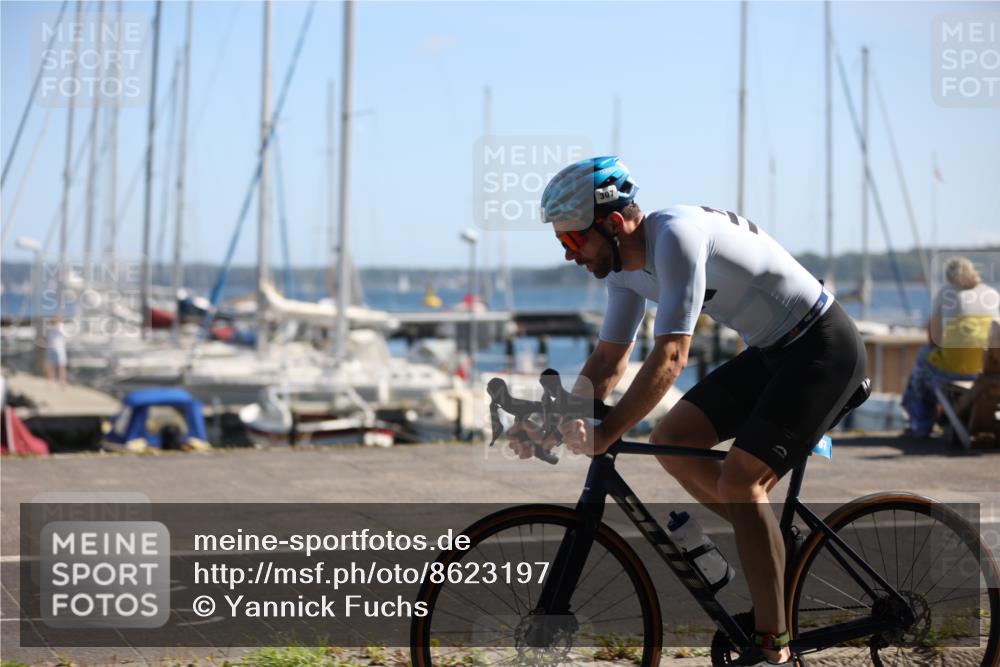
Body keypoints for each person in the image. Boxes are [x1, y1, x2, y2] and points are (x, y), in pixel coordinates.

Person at [507, 156, 866, 666]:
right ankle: (772, 542)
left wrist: (607, 431)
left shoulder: (676, 235)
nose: (569, 256)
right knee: (672, 440)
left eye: (571, 241)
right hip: (771, 352)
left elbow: (671, 356)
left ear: (611, 224)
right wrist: (555, 416)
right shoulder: (624, 272)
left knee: (743, 481)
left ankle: (773, 648)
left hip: (822, 348)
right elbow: (610, 359)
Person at [902, 256, 1000, 437]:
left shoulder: (946, 293)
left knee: (923, 361)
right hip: (987, 370)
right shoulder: (991, 295)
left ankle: (921, 426)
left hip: (954, 369)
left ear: (949, 275)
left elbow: (933, 339)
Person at [44, 315, 68, 385]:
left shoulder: (58, 327)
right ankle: (52, 380)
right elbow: (46, 338)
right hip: (54, 349)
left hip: (56, 349)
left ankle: (60, 381)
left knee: (59, 366)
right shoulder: (50, 328)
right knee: (53, 366)